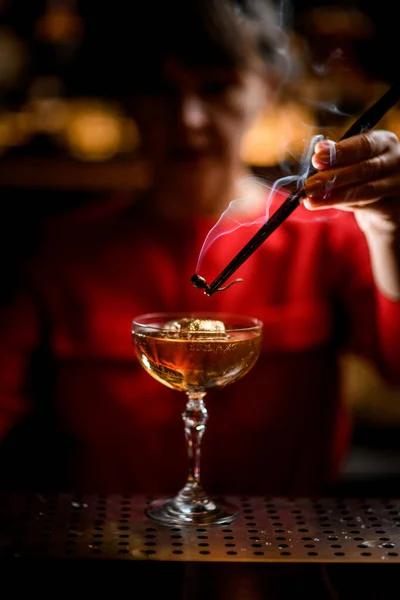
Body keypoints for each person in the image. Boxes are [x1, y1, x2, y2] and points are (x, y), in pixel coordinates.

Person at [0, 0, 399, 497]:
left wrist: (390, 228)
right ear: (129, 100)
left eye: (217, 87)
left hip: (281, 552)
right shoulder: (61, 255)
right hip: (111, 555)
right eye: (160, 91)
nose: (189, 119)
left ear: (266, 89)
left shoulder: (331, 238)